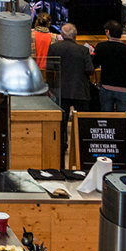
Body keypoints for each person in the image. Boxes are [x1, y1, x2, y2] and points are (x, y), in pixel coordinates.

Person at [47, 23, 96, 156]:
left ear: (61, 35)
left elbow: (50, 70)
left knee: (61, 121)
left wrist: (51, 88)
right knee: (82, 121)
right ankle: (82, 148)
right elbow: (90, 70)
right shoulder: (83, 50)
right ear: (75, 35)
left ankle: (62, 146)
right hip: (80, 89)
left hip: (61, 90)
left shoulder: (53, 48)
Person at [94, 19, 126, 112]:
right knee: (124, 120)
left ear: (108, 32)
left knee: (107, 120)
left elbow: (95, 64)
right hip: (124, 88)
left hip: (106, 87)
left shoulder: (101, 47)